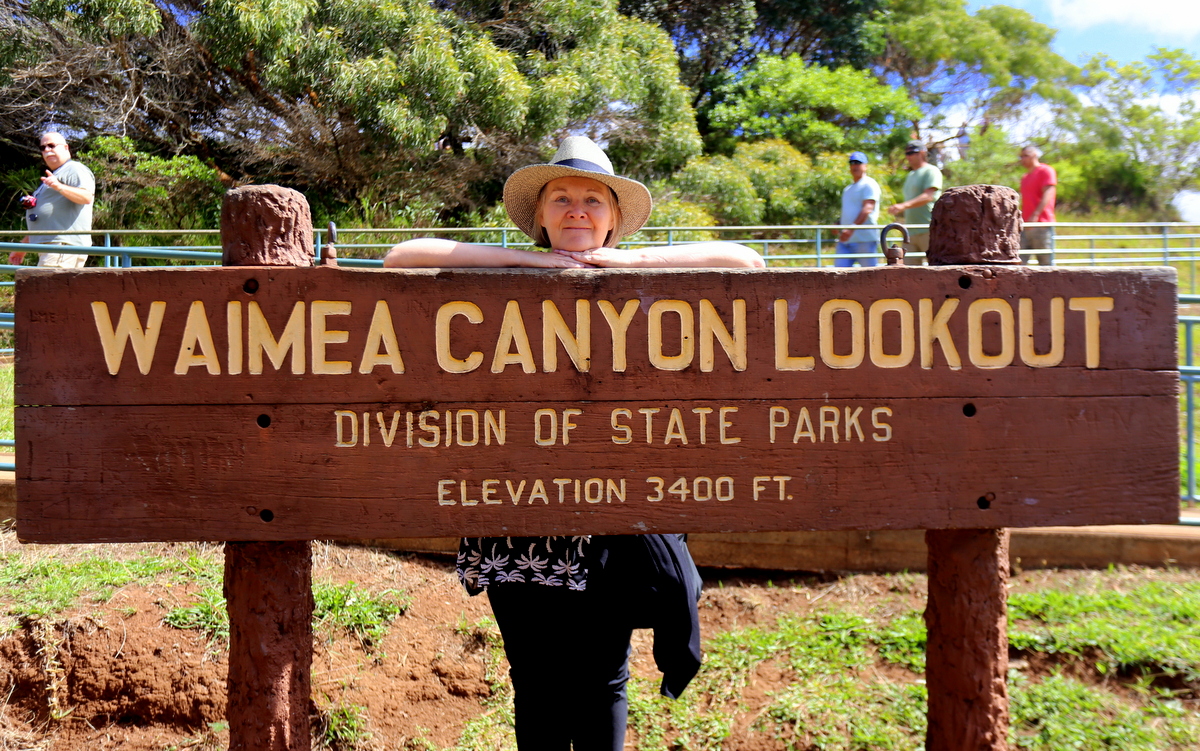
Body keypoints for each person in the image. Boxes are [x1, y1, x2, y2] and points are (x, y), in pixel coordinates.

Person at [384, 136, 762, 750]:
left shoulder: (643, 277)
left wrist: (628, 265)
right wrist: (533, 265)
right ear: (538, 215)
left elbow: (747, 261)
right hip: (517, 519)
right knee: (535, 680)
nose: (577, 209)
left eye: (593, 200)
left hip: (611, 515)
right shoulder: (503, 276)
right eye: (560, 198)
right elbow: (401, 257)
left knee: (604, 680)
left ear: (614, 219)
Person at [10, 131, 94, 268]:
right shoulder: (55, 175)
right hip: (53, 247)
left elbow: (86, 197)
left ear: (66, 148)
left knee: (45, 289)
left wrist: (59, 186)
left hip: (62, 247)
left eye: (51, 145)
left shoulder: (74, 169)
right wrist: (22, 248)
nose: (47, 150)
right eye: (43, 148)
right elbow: (47, 222)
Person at [887, 140, 942, 262]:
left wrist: (903, 206)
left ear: (922, 153)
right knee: (908, 270)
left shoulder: (931, 171)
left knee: (936, 267)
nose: (908, 156)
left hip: (928, 229)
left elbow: (928, 196)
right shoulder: (911, 175)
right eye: (906, 153)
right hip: (910, 231)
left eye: (912, 152)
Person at [835, 151, 881, 267]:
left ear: (865, 166)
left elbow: (867, 209)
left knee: (871, 277)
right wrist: (838, 224)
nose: (855, 165)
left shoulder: (869, 184)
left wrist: (851, 229)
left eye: (858, 163)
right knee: (837, 276)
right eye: (852, 163)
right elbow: (849, 211)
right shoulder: (848, 189)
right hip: (846, 241)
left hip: (864, 240)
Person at [1019, 145, 1057, 267]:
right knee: (1019, 261)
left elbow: (1048, 193)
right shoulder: (1025, 177)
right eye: (1021, 156)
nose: (1022, 159)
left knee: (1045, 263)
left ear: (1035, 155)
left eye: (1026, 156)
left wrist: (1035, 214)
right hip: (1025, 225)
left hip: (1041, 224)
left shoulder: (1046, 171)